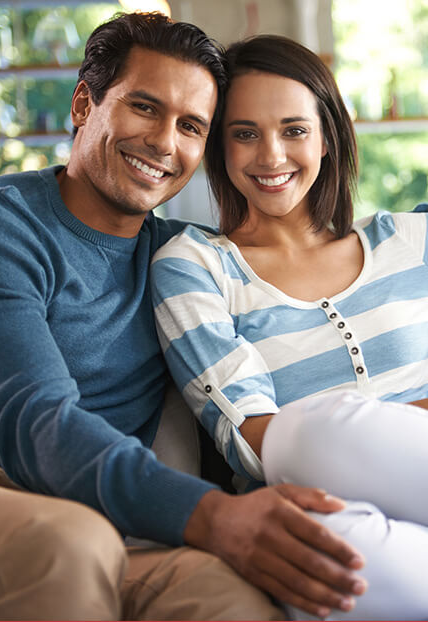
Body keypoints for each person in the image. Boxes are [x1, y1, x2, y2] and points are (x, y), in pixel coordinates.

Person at [0, 13, 368, 622]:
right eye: (144, 108)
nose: (165, 143)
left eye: (191, 126)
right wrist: (214, 515)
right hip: (11, 490)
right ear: (84, 103)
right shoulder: (6, 230)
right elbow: (35, 421)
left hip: (126, 523)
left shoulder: (185, 261)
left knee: (233, 598)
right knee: (72, 546)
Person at [151, 33, 428, 621]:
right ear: (219, 147)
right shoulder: (197, 266)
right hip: (317, 508)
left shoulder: (412, 241)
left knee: (315, 426)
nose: (271, 156)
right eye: (245, 133)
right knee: (310, 442)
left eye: (294, 130)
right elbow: (253, 437)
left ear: (328, 136)